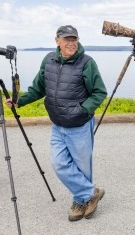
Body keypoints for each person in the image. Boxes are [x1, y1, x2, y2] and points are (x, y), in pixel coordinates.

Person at [5, 25, 107, 221]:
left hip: (80, 126)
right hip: (58, 126)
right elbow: (38, 88)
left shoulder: (87, 63)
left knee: (82, 168)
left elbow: (99, 92)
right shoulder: (49, 60)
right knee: (59, 164)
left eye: (74, 39)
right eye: (67, 39)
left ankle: (79, 201)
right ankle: (91, 193)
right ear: (57, 41)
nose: (71, 43)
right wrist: (19, 101)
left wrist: (82, 110)